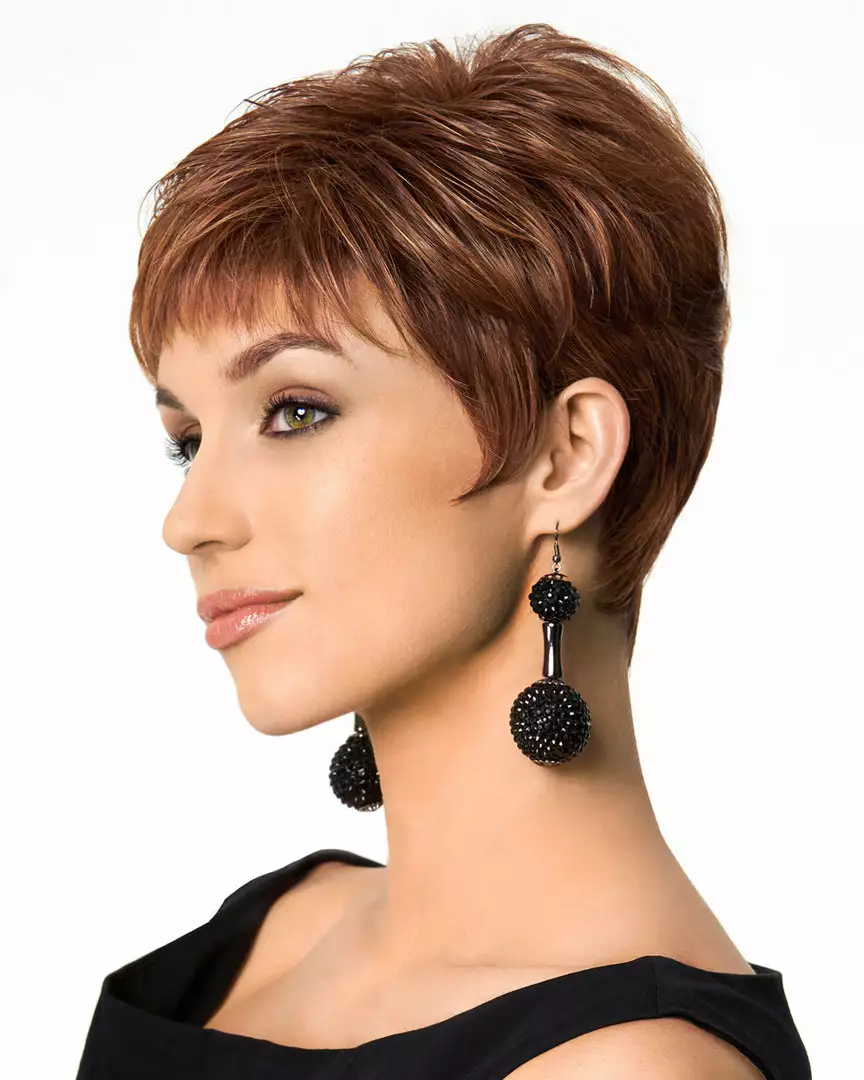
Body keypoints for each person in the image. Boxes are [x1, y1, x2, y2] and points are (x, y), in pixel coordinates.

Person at [74, 22, 811, 1080]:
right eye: (187, 440)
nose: (190, 520)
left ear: (566, 455)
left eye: (295, 411)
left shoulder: (632, 1067)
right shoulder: (264, 936)